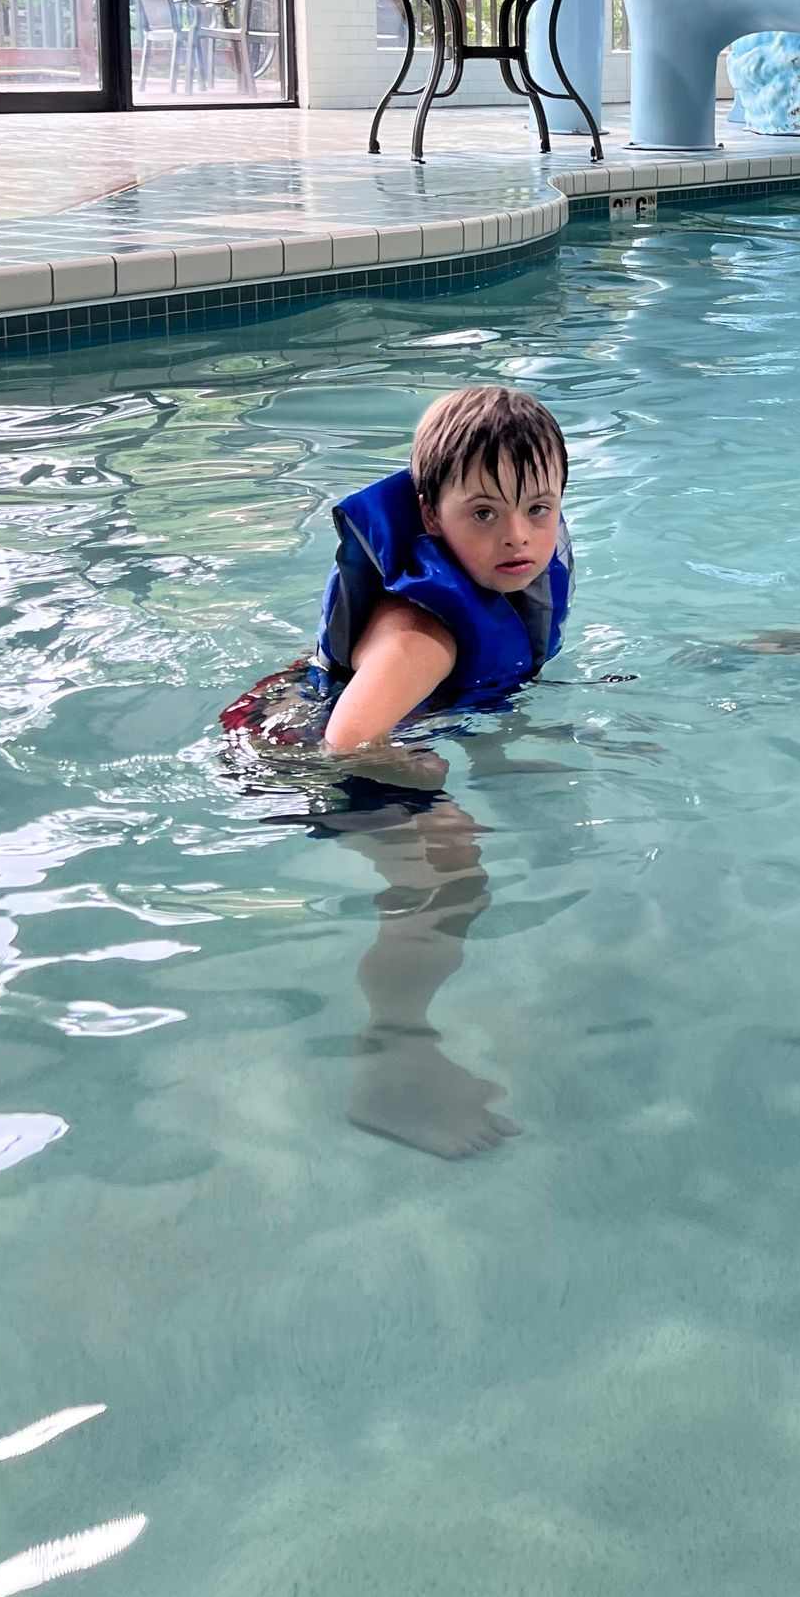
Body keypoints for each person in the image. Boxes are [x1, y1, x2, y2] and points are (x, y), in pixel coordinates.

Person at [221, 384, 574, 1155]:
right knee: (452, 874)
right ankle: (395, 1058)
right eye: (483, 513)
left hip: (333, 725)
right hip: (298, 754)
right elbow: (346, 745)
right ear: (428, 515)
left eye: (538, 509)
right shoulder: (424, 636)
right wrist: (423, 786)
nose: (518, 536)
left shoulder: (498, 577)